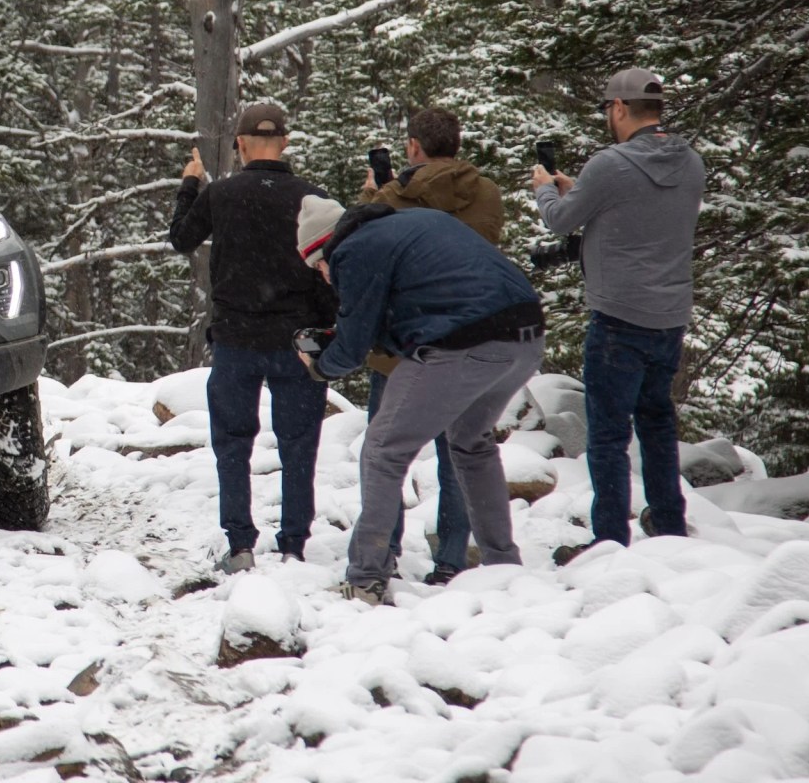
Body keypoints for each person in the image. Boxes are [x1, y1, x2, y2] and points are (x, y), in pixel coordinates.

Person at [293, 196, 545, 605]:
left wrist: (320, 365)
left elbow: (353, 347)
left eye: (316, 267)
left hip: (464, 342)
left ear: (323, 250)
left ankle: (365, 578)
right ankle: (502, 563)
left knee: (382, 448)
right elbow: (424, 302)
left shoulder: (352, 251)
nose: (323, 276)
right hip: (526, 334)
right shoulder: (411, 221)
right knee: (470, 441)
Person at [530, 67, 705, 557]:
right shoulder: (690, 162)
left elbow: (560, 221)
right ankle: (670, 525)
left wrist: (547, 186)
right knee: (657, 422)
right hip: (670, 315)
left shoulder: (610, 164)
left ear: (621, 109)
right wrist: (580, 185)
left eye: (608, 108)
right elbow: (641, 213)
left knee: (608, 435)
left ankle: (609, 539)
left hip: (618, 318)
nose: (609, 116)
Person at [169, 103, 335, 572]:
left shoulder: (221, 195)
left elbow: (180, 239)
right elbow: (329, 274)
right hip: (297, 341)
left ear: (239, 144)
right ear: (285, 142)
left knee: (233, 444)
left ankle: (240, 544)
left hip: (237, 339)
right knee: (299, 445)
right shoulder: (311, 198)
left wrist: (190, 186)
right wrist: (327, 333)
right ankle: (294, 545)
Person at [359, 106, 506, 585]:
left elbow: (374, 257)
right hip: (468, 337)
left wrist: (370, 200)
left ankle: (384, 549)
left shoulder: (393, 196)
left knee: (385, 454)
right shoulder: (486, 194)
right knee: (458, 455)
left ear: (414, 148)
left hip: (402, 345)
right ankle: (452, 556)